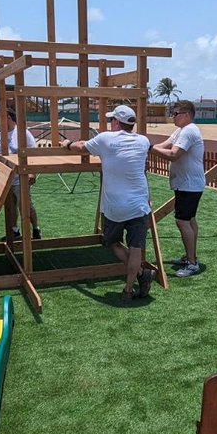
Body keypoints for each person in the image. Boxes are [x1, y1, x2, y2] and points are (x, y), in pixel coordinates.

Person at [64, 105, 156, 301]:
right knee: (136, 249)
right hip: (140, 203)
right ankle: (128, 290)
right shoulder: (143, 141)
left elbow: (81, 147)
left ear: (116, 122)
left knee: (112, 242)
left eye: (110, 120)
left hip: (116, 206)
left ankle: (141, 274)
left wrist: (67, 144)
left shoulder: (106, 139)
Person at [150, 100, 205, 277]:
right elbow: (164, 146)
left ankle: (192, 263)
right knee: (189, 220)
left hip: (189, 184)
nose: (172, 116)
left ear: (186, 115)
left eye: (175, 113)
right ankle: (190, 256)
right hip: (187, 184)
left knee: (182, 221)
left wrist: (148, 148)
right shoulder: (181, 130)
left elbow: (173, 155)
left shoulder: (189, 131)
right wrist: (146, 148)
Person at [0, 108, 42, 240]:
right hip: (5, 177)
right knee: (10, 206)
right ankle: (14, 230)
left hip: (20, 177)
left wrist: (33, 173)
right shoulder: (0, 135)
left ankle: (35, 230)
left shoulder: (22, 133)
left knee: (25, 205)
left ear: (8, 117)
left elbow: (33, 154)